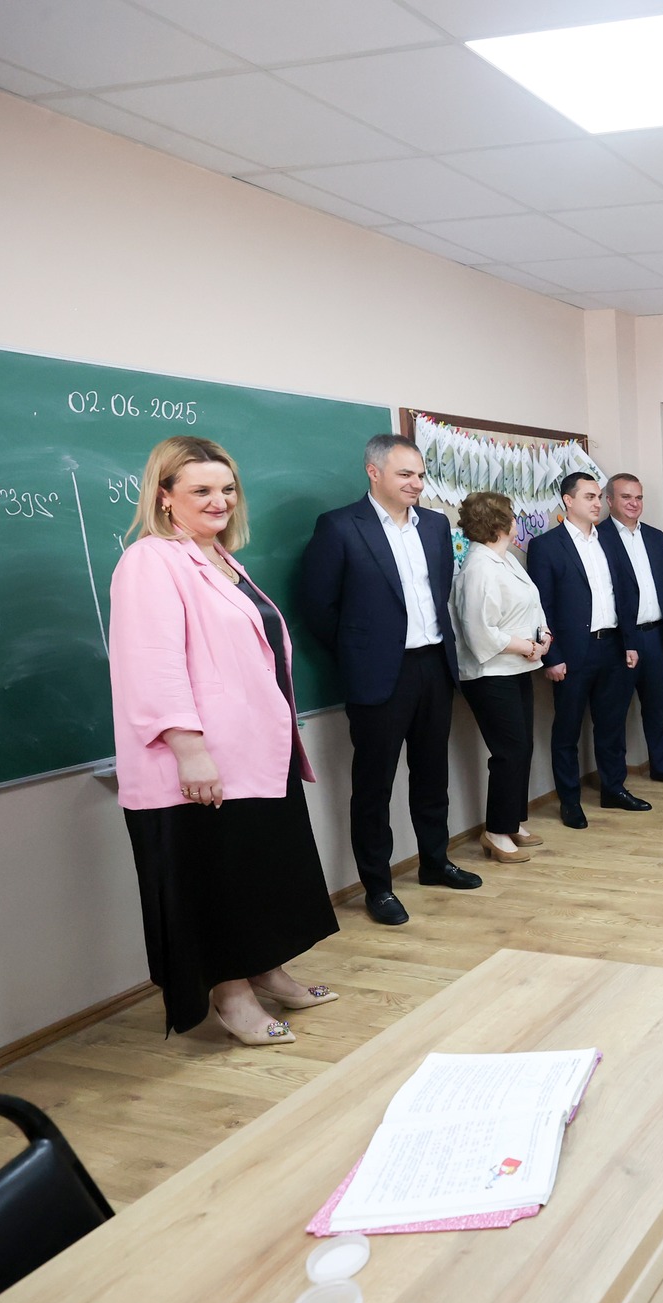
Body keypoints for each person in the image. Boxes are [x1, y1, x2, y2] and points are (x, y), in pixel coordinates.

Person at [111, 435, 338, 1045]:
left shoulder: (220, 559)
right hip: (200, 760)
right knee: (218, 879)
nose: (220, 500)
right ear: (164, 497)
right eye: (202, 490)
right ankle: (231, 997)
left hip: (256, 751)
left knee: (259, 870)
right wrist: (190, 750)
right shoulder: (150, 561)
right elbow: (153, 663)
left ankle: (267, 970)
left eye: (228, 488)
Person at [300, 433, 481, 927]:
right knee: (374, 785)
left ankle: (435, 861)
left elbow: (439, 592)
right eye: (405, 474)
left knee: (432, 774)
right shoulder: (340, 526)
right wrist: (359, 652)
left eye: (420, 475)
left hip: (434, 665)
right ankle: (377, 886)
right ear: (373, 472)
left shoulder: (435, 526)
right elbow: (318, 606)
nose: (416, 484)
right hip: (380, 673)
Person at [526, 471, 645, 826]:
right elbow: (542, 606)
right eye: (589, 497)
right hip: (573, 652)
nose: (597, 503)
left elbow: (625, 593)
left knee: (611, 725)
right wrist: (552, 656)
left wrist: (629, 642)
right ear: (568, 500)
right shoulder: (547, 546)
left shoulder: (609, 540)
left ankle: (614, 789)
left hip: (612, 646)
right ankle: (570, 801)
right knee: (567, 731)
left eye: (598, 497)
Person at [449, 491, 550, 864]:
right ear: (500, 522)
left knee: (523, 747)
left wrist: (543, 636)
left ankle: (511, 821)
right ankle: (494, 831)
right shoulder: (479, 567)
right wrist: (527, 645)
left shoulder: (506, 559)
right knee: (510, 752)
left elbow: (530, 605)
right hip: (490, 675)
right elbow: (480, 633)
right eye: (512, 515)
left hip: (518, 667)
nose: (516, 520)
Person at [603, 472, 663, 789]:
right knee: (614, 712)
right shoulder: (599, 538)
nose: (633, 503)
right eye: (626, 497)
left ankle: (661, 766)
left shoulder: (655, 537)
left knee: (657, 707)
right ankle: (615, 782)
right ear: (609, 500)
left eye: (638, 497)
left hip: (656, 636)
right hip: (621, 640)